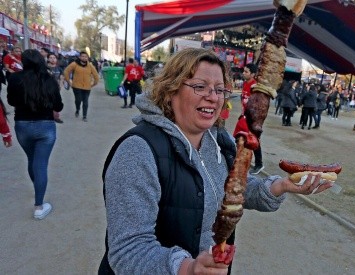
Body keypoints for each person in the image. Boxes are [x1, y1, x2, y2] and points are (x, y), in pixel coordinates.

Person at [98, 48, 333, 274]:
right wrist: (187, 268)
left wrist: (280, 186)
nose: (212, 97)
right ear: (171, 91)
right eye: (200, 87)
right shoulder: (138, 151)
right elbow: (127, 250)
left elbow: (232, 187)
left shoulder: (218, 139)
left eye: (220, 90)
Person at [6, 49, 63, 220]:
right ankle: (39, 205)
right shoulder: (49, 80)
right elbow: (58, 106)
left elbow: (11, 101)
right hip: (45, 126)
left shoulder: (15, 78)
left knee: (32, 160)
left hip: (22, 125)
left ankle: (38, 188)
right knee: (41, 164)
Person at [63, 51, 99, 122]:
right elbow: (66, 72)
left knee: (85, 101)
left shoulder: (90, 66)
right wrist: (69, 82)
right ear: (79, 57)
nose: (84, 58)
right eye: (82, 56)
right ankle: (77, 109)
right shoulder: (74, 64)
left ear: (87, 58)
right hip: (76, 86)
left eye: (85, 56)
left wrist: (93, 84)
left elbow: (96, 76)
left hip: (87, 87)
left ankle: (84, 116)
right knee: (78, 100)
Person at [47, 52, 64, 124]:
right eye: (50, 58)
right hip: (46, 88)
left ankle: (56, 117)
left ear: (56, 59)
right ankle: (47, 116)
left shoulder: (59, 68)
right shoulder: (45, 68)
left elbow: (62, 78)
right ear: (48, 59)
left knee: (56, 102)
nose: (52, 59)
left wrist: (60, 86)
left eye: (54, 58)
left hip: (56, 89)